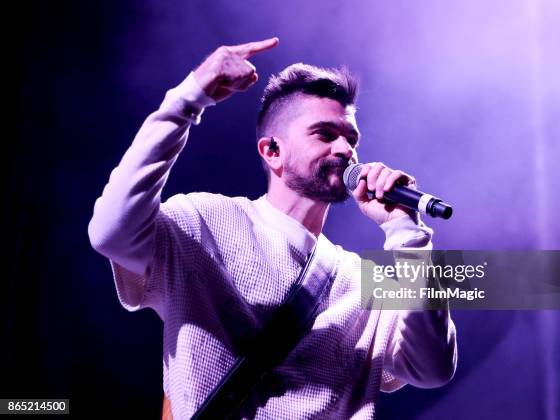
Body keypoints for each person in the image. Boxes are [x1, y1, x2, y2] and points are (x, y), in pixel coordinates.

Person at [88, 37, 457, 419]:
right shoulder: (205, 222)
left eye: (352, 139)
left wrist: (405, 231)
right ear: (272, 151)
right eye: (326, 134)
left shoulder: (366, 283)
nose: (347, 151)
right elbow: (110, 232)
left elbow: (433, 368)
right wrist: (186, 101)